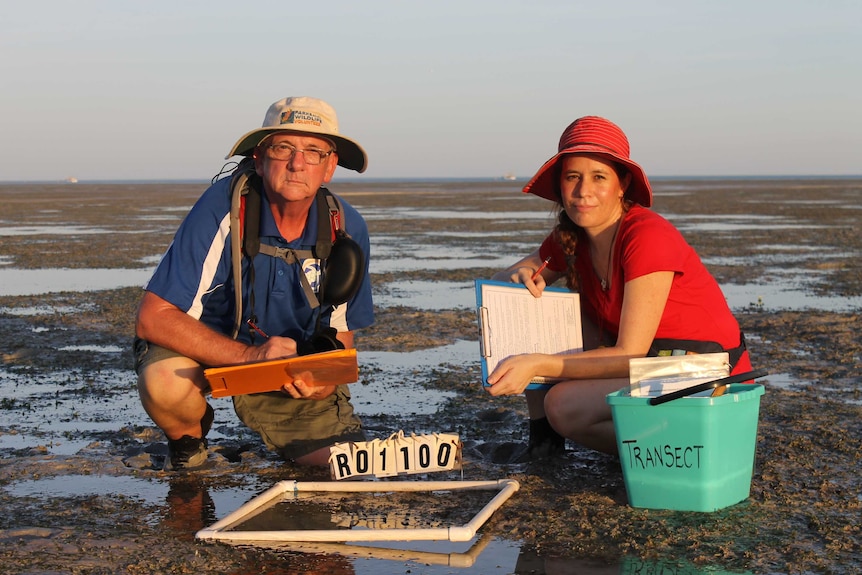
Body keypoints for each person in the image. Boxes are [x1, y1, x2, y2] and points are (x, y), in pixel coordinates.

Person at [488, 116, 751, 458]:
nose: (583, 191)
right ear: (560, 185)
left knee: (563, 405)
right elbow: (501, 284)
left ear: (622, 184)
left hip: (704, 375)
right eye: (573, 177)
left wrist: (537, 364)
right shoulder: (571, 238)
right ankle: (545, 445)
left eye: (598, 177)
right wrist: (519, 279)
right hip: (650, 369)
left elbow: (630, 353)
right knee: (532, 309)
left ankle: (692, 450)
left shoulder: (646, 236)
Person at [134, 96, 374, 470]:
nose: (297, 164)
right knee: (165, 382)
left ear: (330, 167)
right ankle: (188, 446)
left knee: (339, 467)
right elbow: (154, 317)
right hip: (207, 349)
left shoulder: (345, 225)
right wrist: (248, 356)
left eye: (314, 152)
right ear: (259, 160)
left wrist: (324, 381)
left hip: (285, 364)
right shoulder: (224, 207)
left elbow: (339, 332)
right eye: (283, 148)